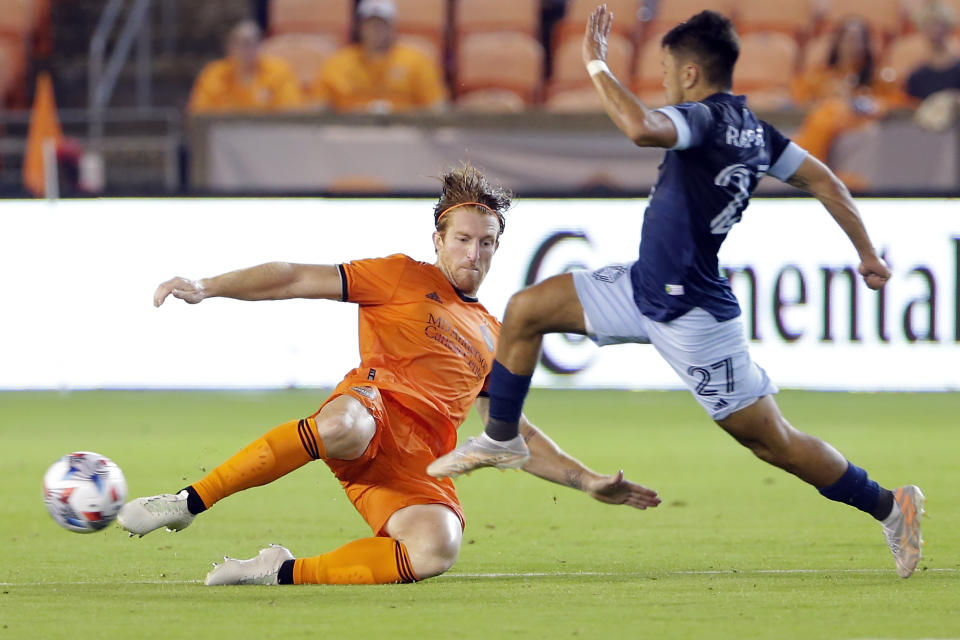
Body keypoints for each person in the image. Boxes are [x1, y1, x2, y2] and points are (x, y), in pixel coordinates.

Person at [428, 7, 925, 579]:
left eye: (665, 69)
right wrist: (866, 253)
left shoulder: (704, 118)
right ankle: (502, 438)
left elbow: (642, 128)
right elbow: (825, 179)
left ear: (689, 73)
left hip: (692, 313)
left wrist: (594, 63)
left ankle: (892, 505)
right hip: (644, 287)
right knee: (527, 309)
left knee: (774, 443)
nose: (663, 81)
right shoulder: (758, 133)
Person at [117, 164, 660, 586]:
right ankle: (187, 503)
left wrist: (586, 479)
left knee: (437, 548)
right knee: (345, 426)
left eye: (486, 242)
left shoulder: (498, 334)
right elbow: (294, 278)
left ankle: (277, 569)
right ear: (439, 240)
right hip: (369, 411)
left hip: (418, 462)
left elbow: (510, 433)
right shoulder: (402, 275)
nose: (474, 253)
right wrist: (208, 285)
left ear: (497, 246)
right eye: (463, 239)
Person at [789, 16, 904, 190]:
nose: (854, 46)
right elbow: (800, 99)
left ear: (867, 44)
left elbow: (897, 100)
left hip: (859, 133)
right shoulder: (819, 76)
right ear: (838, 43)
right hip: (823, 134)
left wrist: (873, 105)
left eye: (859, 40)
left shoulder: (879, 77)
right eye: (849, 39)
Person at [310, 0, 447, 113]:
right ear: (360, 27)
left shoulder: (416, 61)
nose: (376, 29)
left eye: (382, 23)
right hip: (351, 136)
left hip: (403, 136)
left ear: (393, 26)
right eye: (370, 23)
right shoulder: (338, 63)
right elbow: (318, 109)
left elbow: (437, 108)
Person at [188, 19, 303, 114]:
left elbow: (291, 113)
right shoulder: (214, 74)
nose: (246, 50)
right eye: (240, 43)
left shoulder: (278, 71)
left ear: (261, 45)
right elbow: (199, 115)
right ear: (229, 46)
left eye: (251, 43)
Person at [904, 1, 960, 131]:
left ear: (948, 27)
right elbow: (912, 108)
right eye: (929, 24)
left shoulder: (958, 69)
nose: (935, 29)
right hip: (926, 136)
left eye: (939, 24)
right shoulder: (917, 75)